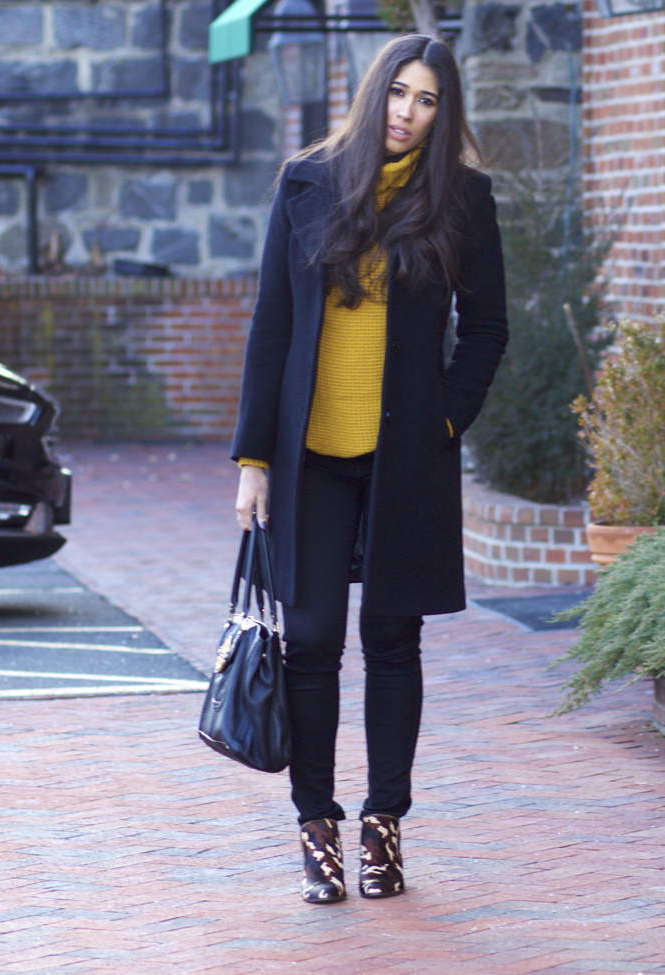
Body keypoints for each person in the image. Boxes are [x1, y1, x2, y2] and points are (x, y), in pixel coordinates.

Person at [232, 33, 508, 904]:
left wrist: (445, 419)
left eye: (428, 101)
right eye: (399, 93)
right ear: (373, 91)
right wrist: (253, 457)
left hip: (405, 461)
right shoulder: (306, 181)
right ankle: (317, 828)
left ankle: (385, 827)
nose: (409, 113)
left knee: (392, 640)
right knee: (310, 641)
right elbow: (271, 326)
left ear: (443, 112)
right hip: (308, 456)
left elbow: (488, 328)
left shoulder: (463, 198)